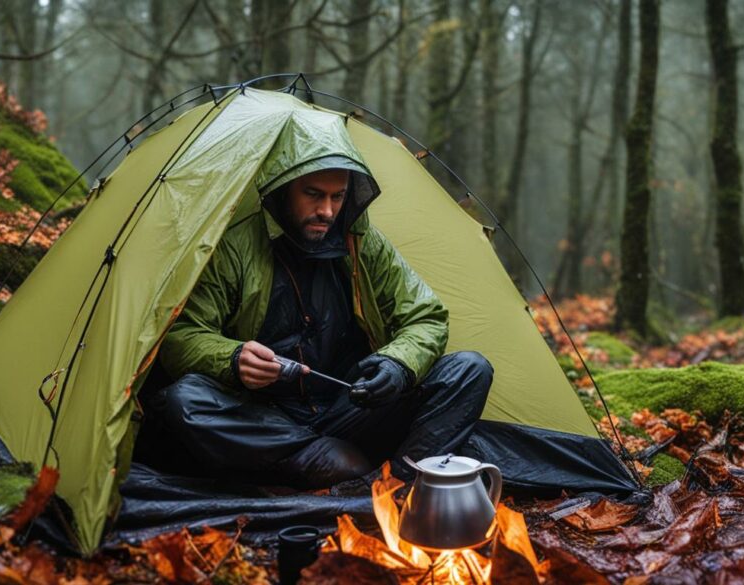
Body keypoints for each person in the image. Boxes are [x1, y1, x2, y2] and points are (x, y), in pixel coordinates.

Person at [137, 154, 494, 489]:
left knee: (469, 369)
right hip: (265, 420)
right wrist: (233, 358)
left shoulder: (361, 242)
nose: (327, 211)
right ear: (282, 190)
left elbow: (426, 316)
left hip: (351, 407)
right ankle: (321, 461)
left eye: (338, 197)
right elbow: (181, 336)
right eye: (313, 194)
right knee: (185, 399)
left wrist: (398, 364)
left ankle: (400, 488)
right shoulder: (236, 248)